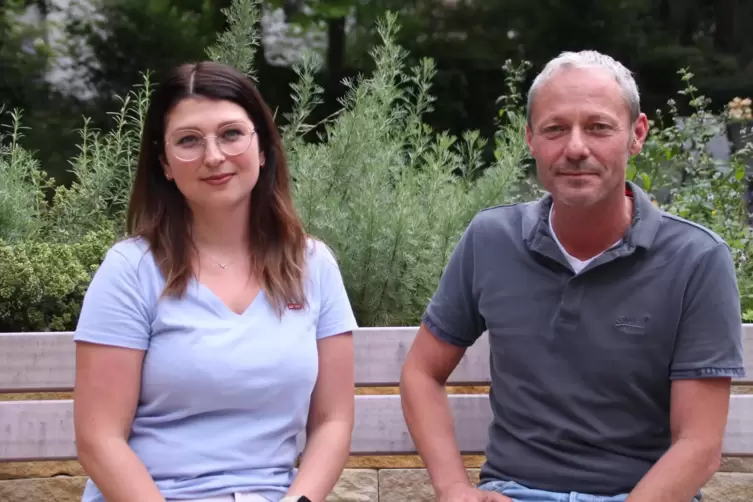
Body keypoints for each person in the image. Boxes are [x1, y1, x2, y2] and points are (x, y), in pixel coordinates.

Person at [399, 50, 746, 502]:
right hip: (514, 493)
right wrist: (452, 488)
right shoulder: (491, 239)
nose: (576, 148)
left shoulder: (696, 259)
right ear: (530, 139)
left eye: (599, 127)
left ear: (636, 135)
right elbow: (421, 373)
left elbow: (698, 446)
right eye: (555, 129)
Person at [72, 61, 358, 502]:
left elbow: (333, 422)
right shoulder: (130, 270)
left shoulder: (313, 266)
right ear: (164, 163)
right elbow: (99, 438)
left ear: (262, 148)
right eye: (189, 140)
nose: (214, 156)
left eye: (231, 134)